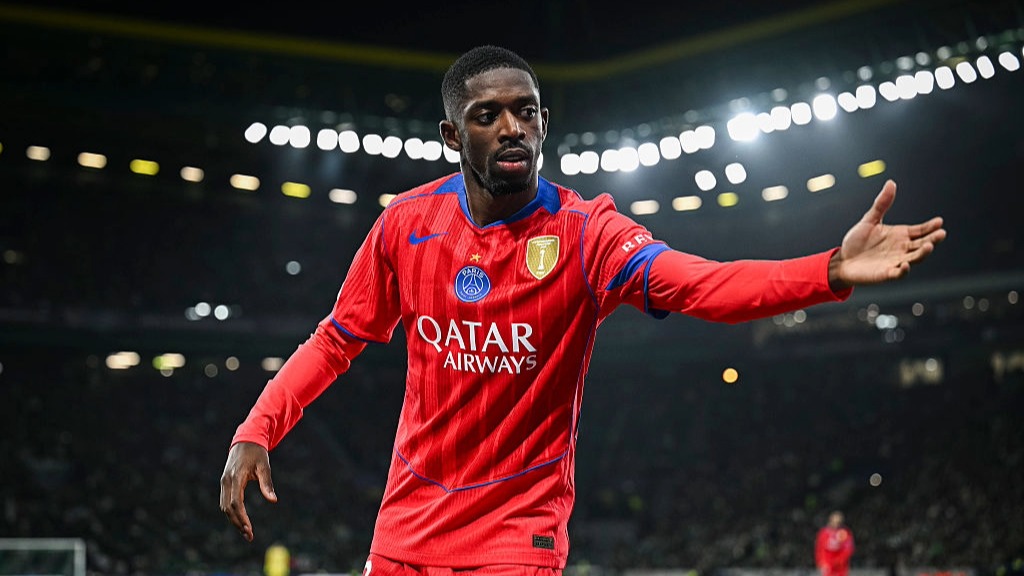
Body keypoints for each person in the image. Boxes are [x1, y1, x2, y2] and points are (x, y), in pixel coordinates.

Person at [220, 45, 946, 573]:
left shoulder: (588, 232)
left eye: (526, 112)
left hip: (515, 539)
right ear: (451, 136)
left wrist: (828, 269)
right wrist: (259, 426)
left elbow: (703, 286)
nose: (512, 127)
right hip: (404, 529)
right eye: (487, 115)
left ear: (544, 124)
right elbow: (336, 339)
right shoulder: (406, 226)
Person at [816, 511, 855, 576]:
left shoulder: (845, 533)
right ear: (830, 520)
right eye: (834, 521)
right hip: (828, 565)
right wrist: (821, 562)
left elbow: (849, 549)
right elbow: (820, 548)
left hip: (841, 566)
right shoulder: (824, 533)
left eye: (838, 522)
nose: (836, 524)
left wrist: (839, 561)